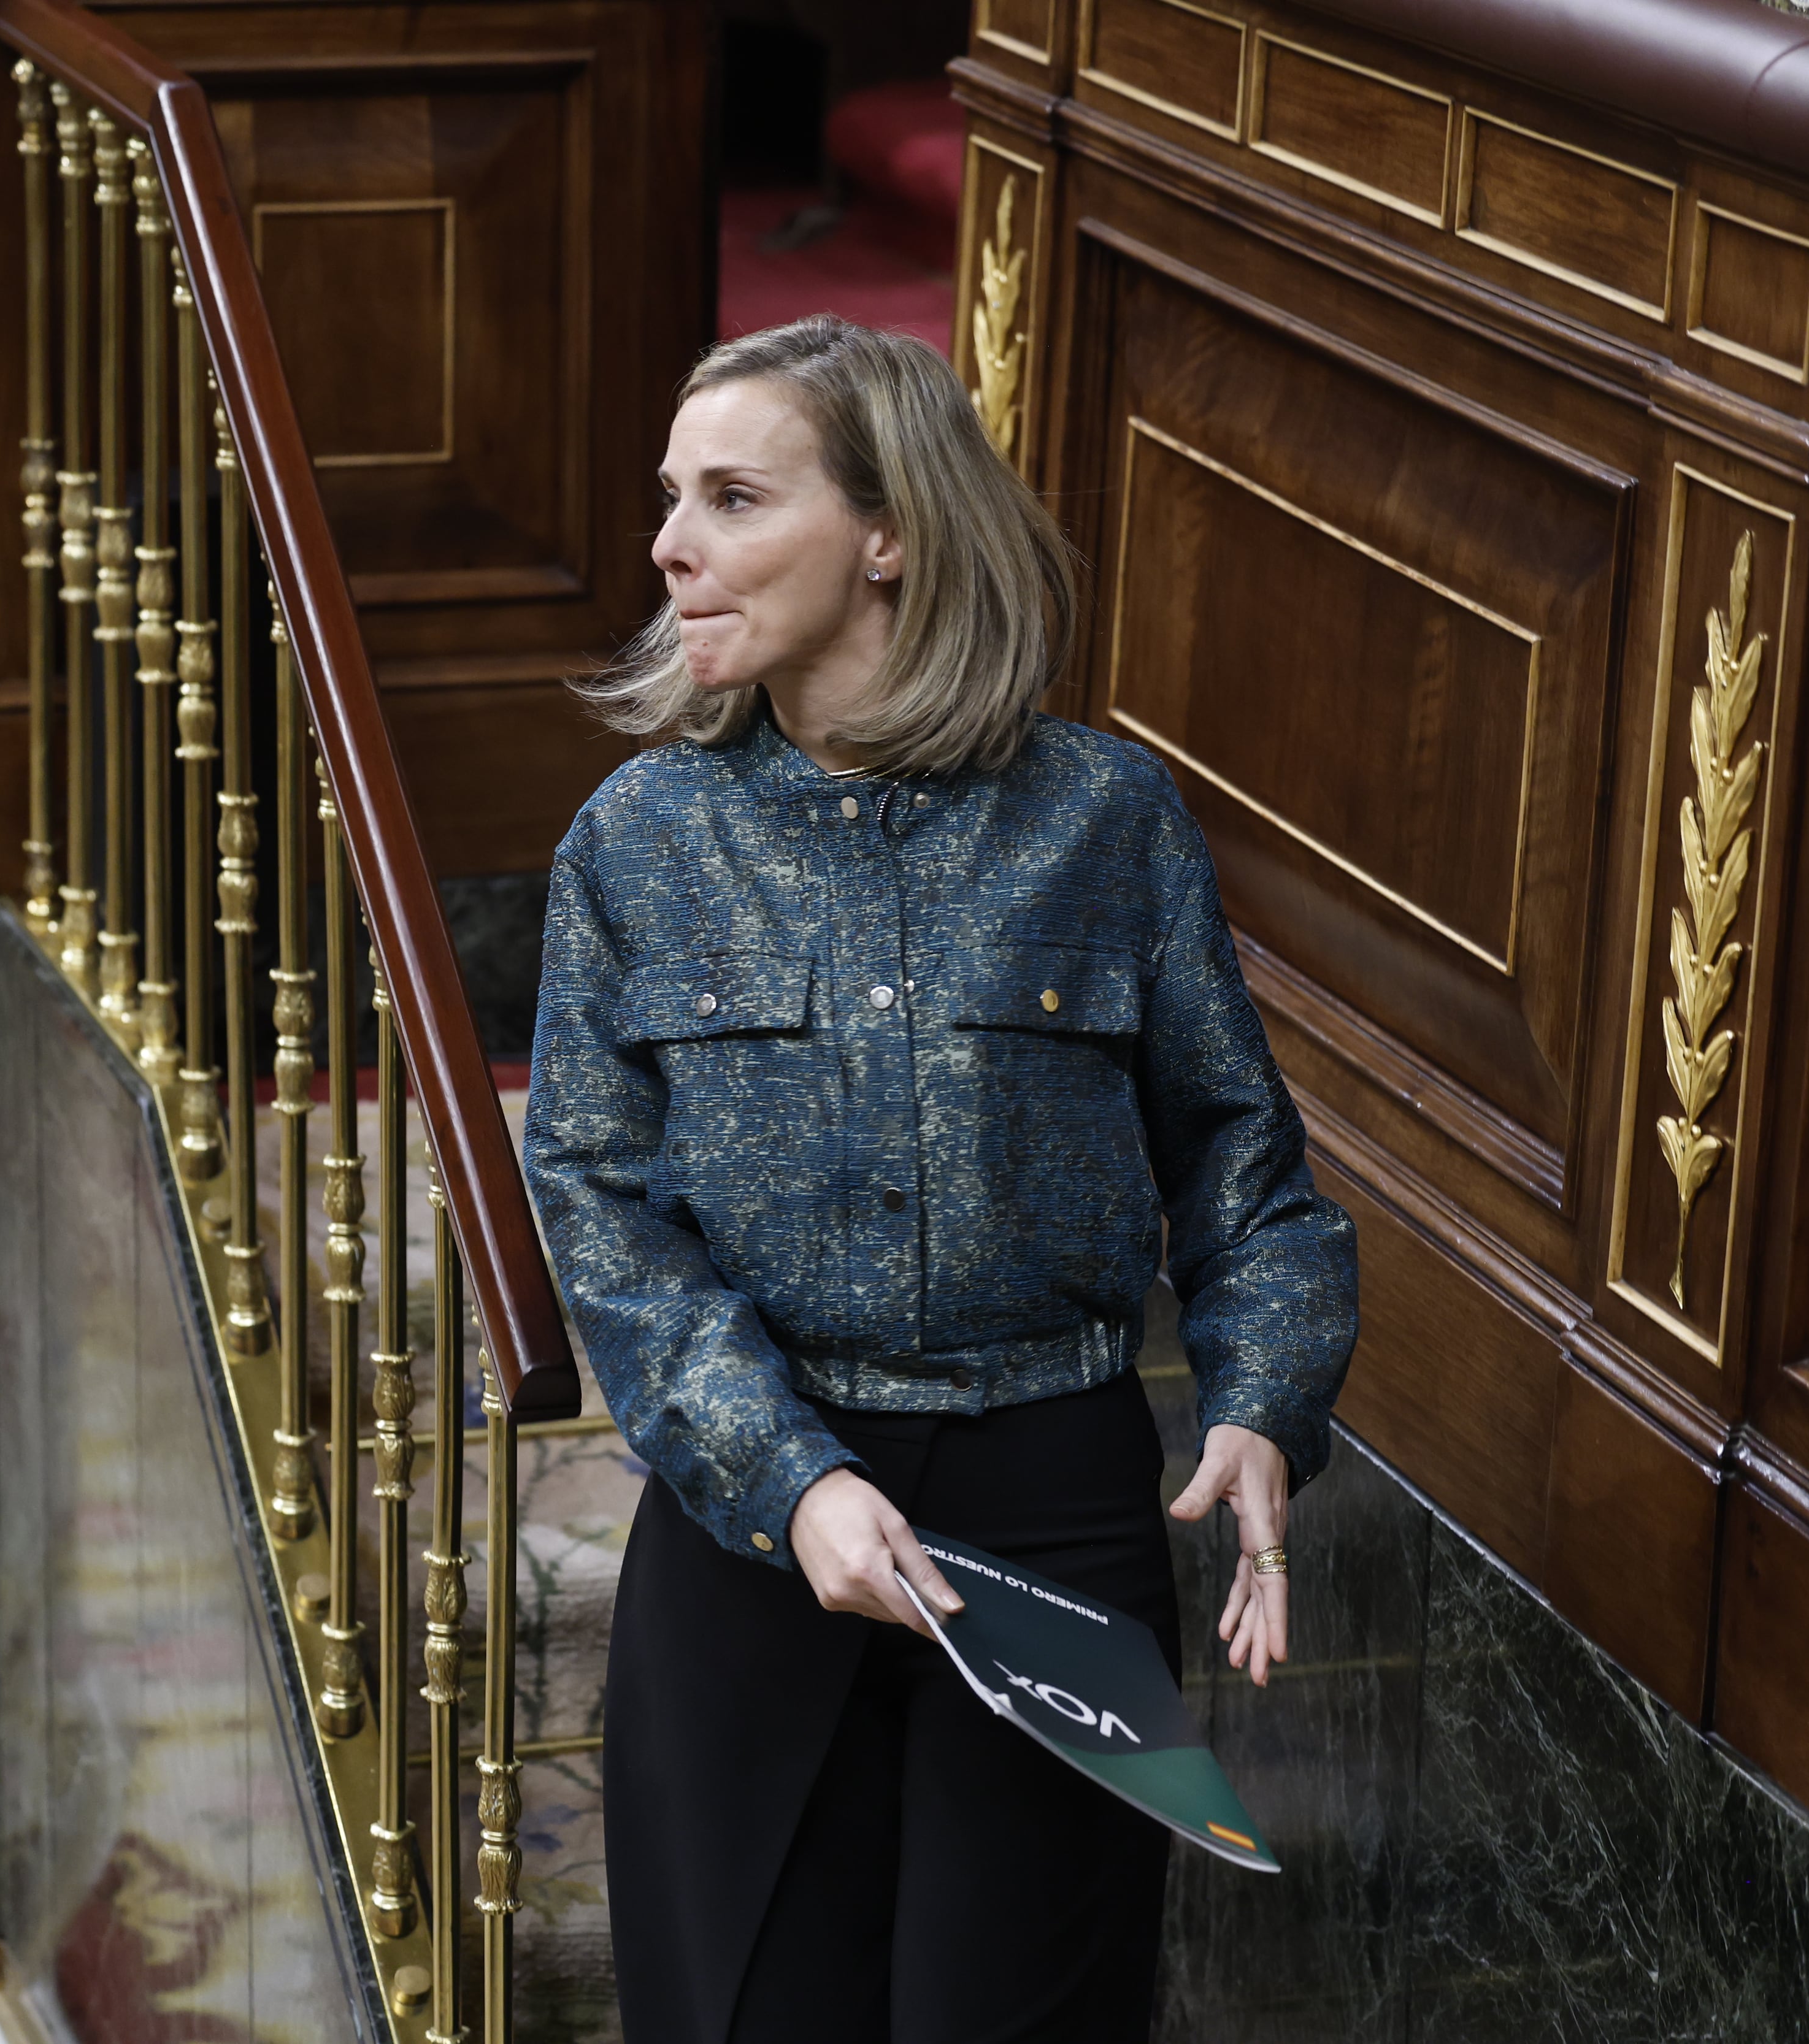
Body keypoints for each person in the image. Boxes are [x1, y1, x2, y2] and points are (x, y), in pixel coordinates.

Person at [523, 314, 1358, 2044]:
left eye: (734, 497)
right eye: (670, 499)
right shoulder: (635, 844)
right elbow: (603, 1215)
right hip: (756, 1539)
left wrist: (1265, 1403)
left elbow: (1244, 1170)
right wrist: (790, 1476)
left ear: (888, 528)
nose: (670, 543)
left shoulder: (1105, 818)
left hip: (1049, 1514)